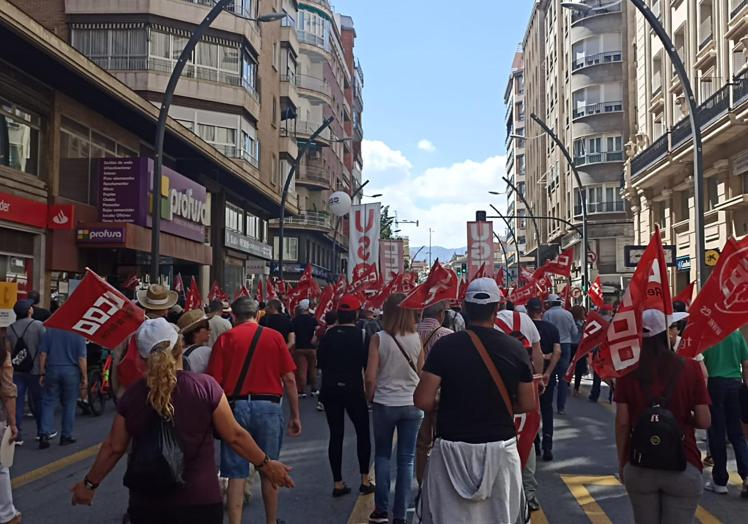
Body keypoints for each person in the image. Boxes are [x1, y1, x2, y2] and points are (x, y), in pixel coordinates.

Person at [70, 318, 294, 523]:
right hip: (200, 502)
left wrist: (89, 485)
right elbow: (235, 436)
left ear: (141, 357)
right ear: (180, 348)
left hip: (148, 504)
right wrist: (266, 464)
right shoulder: (205, 387)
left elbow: (114, 447)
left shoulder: (133, 395)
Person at [414, 278, 535, 524]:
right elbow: (528, 403)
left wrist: (448, 402)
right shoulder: (516, 349)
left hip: (450, 449)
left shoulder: (445, 347)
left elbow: (423, 400)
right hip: (500, 449)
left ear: (465, 308)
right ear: (497, 308)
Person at [207, 297, 302, 524]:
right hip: (269, 407)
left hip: (235, 408)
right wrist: (296, 415)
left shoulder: (226, 339)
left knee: (235, 472)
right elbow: (289, 378)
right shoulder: (274, 337)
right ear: (257, 314)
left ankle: (235, 522)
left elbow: (214, 383)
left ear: (233, 316)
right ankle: (271, 521)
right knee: (269, 467)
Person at [615, 309, 711, 523]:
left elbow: (622, 424)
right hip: (684, 462)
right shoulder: (691, 368)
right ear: (666, 333)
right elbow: (705, 420)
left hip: (639, 463)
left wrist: (622, 462)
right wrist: (683, 422)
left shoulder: (627, 371)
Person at [365, 294, 423, 524]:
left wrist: (370, 398)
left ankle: (380, 511)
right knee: (406, 460)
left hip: (385, 403)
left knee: (382, 455)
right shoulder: (417, 338)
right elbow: (421, 372)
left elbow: (370, 377)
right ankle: (400, 515)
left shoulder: (378, 338)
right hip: (411, 403)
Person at [316, 295, 374, 497]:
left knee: (336, 435)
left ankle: (337, 482)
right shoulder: (362, 335)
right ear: (356, 314)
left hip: (331, 390)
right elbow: (368, 366)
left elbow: (320, 363)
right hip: (354, 389)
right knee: (363, 433)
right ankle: (365, 479)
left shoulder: (328, 335)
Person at [701, 330, 748, 497]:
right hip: (735, 384)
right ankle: (747, 476)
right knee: (737, 434)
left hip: (714, 385)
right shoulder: (737, 336)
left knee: (717, 433)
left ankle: (720, 481)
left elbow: (702, 366)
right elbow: (746, 363)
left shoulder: (709, 336)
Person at [111, 284, 179, 399]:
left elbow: (116, 363)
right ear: (166, 309)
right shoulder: (174, 331)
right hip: (164, 393)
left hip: (131, 392)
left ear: (144, 306)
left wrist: (119, 392)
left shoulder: (128, 332)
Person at [414, 301, 453, 484]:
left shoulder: (410, 332)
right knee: (442, 440)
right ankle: (440, 484)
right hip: (441, 394)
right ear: (441, 315)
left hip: (416, 392)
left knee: (422, 443)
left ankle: (421, 482)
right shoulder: (447, 335)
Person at [37, 328, 87, 448]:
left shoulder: (49, 331)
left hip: (52, 369)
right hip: (71, 371)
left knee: (48, 401)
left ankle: (44, 434)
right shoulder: (79, 333)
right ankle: (66, 435)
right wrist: (85, 377)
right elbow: (81, 358)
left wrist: (42, 372)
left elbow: (42, 353)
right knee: (69, 404)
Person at [6, 299, 45, 446]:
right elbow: (43, 351)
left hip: (17, 370)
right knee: (39, 401)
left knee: (18, 402)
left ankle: (18, 434)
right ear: (29, 311)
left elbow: (8, 351)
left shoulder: (11, 328)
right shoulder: (39, 326)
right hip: (35, 370)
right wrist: (43, 370)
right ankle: (41, 432)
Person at [527, 298, 561, 463]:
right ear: (541, 310)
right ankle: (548, 446)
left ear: (527, 310)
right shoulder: (552, 329)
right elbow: (558, 351)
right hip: (547, 377)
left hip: (528, 377)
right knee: (547, 410)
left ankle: (534, 444)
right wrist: (547, 372)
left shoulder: (525, 328)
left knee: (530, 411)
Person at [543, 294, 577, 415]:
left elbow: (545, 331)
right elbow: (575, 332)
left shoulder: (547, 314)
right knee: (563, 378)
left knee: (550, 375)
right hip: (566, 345)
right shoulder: (568, 314)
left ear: (550, 303)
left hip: (552, 346)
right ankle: (561, 407)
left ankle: (548, 404)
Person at [0, 334, 20, 524]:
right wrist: (12, 424)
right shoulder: (2, 347)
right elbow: (8, 391)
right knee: (1, 467)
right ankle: (6, 514)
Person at [496, 301, 543, 374]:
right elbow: (537, 351)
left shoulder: (488, 324)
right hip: (526, 374)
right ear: (505, 304)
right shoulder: (525, 317)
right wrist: (538, 377)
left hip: (503, 375)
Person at [291, 299, 319, 398]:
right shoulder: (313, 319)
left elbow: (292, 334)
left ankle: (301, 390)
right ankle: (313, 389)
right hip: (311, 348)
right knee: (312, 368)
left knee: (301, 369)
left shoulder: (295, 320)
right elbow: (317, 331)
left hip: (299, 348)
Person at [569, 305, 587, 395]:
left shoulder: (582, 322)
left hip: (575, 345)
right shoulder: (575, 322)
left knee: (576, 367)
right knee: (574, 367)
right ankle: (572, 385)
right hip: (575, 345)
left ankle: (574, 386)